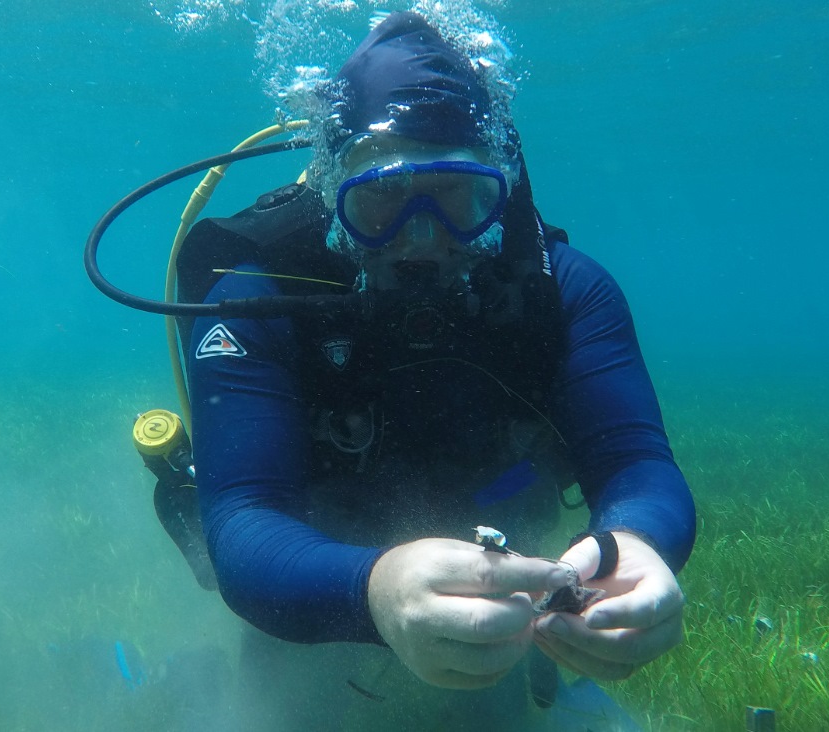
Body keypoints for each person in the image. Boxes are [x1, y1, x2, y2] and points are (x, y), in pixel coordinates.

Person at [179, 11, 695, 729]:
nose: (420, 240)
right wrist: (372, 587)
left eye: (458, 196)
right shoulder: (255, 298)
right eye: (381, 200)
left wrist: (636, 543)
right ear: (332, 187)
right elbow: (241, 521)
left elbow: (636, 463)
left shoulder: (567, 292)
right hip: (314, 575)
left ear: (503, 187)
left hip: (509, 583)